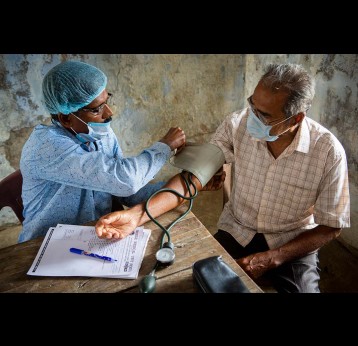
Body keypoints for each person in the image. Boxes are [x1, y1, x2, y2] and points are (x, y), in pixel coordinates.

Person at [95, 63, 350, 293]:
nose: (253, 117)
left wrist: (273, 258)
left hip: (292, 242)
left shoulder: (328, 151)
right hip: (238, 230)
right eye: (252, 104)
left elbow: (332, 225)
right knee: (193, 282)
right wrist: (136, 216)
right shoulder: (237, 124)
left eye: (265, 116)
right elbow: (191, 179)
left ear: (295, 119)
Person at [18, 60, 186, 243]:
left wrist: (181, 187)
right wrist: (165, 146)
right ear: (66, 118)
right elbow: (126, 181)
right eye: (97, 109)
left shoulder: (99, 134)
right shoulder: (46, 147)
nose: (108, 113)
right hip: (45, 245)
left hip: (95, 236)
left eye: (107, 101)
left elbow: (126, 192)